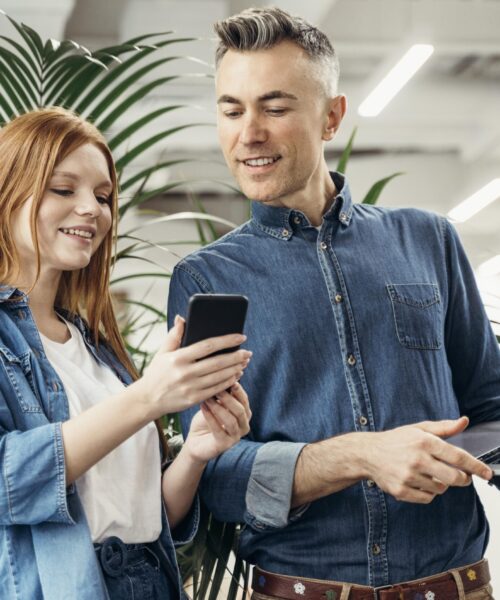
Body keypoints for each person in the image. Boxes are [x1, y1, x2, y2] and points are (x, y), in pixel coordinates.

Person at [167, 6, 500, 599]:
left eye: (274, 107)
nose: (249, 133)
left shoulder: (429, 240)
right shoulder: (206, 278)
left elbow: (491, 405)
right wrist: (359, 456)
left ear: (330, 117)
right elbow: (213, 475)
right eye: (231, 109)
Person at [0, 106, 253, 600]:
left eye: (102, 196)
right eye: (63, 189)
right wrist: (147, 398)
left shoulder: (93, 347)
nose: (92, 209)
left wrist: (197, 452)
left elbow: (147, 515)